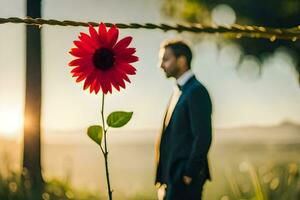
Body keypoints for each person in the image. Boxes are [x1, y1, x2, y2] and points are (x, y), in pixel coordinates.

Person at [154, 39, 213, 200]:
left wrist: (188, 174)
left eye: (165, 59)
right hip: (173, 181)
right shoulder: (178, 90)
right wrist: (164, 180)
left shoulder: (196, 91)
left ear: (182, 60)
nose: (160, 65)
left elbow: (203, 137)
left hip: (184, 181)